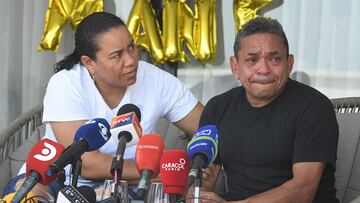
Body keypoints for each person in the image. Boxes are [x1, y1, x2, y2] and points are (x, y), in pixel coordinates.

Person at [4, 11, 203, 199]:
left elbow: (207, 127)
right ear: (89, 62)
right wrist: (153, 172)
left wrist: (202, 168)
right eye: (117, 55)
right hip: (58, 182)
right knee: (28, 196)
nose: (131, 61)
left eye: (132, 47)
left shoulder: (156, 80)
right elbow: (88, 164)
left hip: (125, 186)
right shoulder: (66, 84)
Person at [197, 17, 339, 203]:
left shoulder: (314, 108)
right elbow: (205, 178)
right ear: (235, 67)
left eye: (275, 59)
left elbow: (303, 190)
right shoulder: (217, 108)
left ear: (289, 64)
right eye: (252, 60)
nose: (263, 69)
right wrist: (197, 194)